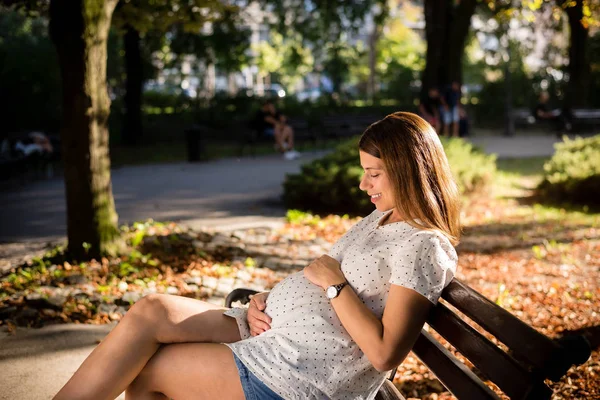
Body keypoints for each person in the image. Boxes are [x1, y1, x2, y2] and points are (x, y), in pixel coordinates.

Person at [54, 112, 460, 400]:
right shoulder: (381, 218)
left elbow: (386, 353)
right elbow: (328, 280)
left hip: (301, 374)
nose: (362, 183)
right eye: (363, 170)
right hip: (270, 331)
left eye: (374, 173)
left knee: (148, 371)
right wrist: (269, 298)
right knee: (152, 309)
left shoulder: (424, 245)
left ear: (409, 169)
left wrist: (334, 284)